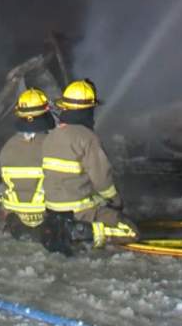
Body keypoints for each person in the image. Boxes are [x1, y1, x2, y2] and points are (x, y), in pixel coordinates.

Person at [37, 79, 139, 248]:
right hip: (79, 211)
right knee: (130, 231)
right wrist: (115, 201)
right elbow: (102, 180)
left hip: (54, 209)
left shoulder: (51, 136)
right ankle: (78, 231)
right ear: (88, 110)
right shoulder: (88, 138)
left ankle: (71, 228)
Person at [0, 88, 59, 246]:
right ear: (46, 113)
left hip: (15, 218)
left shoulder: (7, 147)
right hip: (48, 218)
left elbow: (3, 188)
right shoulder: (54, 144)